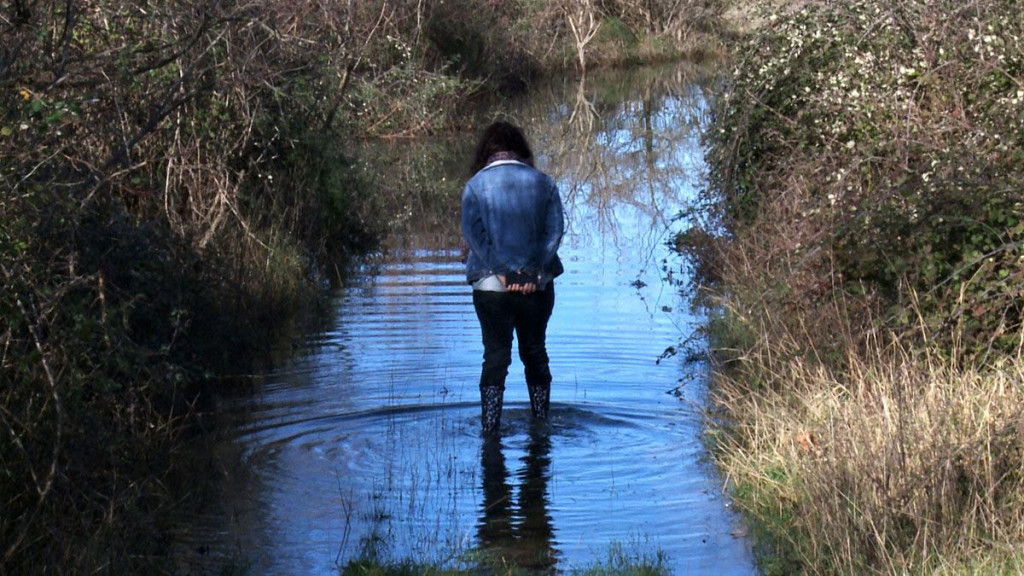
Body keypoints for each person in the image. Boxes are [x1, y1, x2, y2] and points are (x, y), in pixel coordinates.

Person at [461, 120, 565, 435]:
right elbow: (555, 232)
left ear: (486, 153)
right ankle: (541, 422)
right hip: (537, 285)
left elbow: (474, 238)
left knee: (495, 357)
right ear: (521, 151)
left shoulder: (475, 187)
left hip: (491, 289)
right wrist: (531, 269)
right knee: (535, 352)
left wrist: (504, 273)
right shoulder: (544, 183)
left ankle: (490, 429)